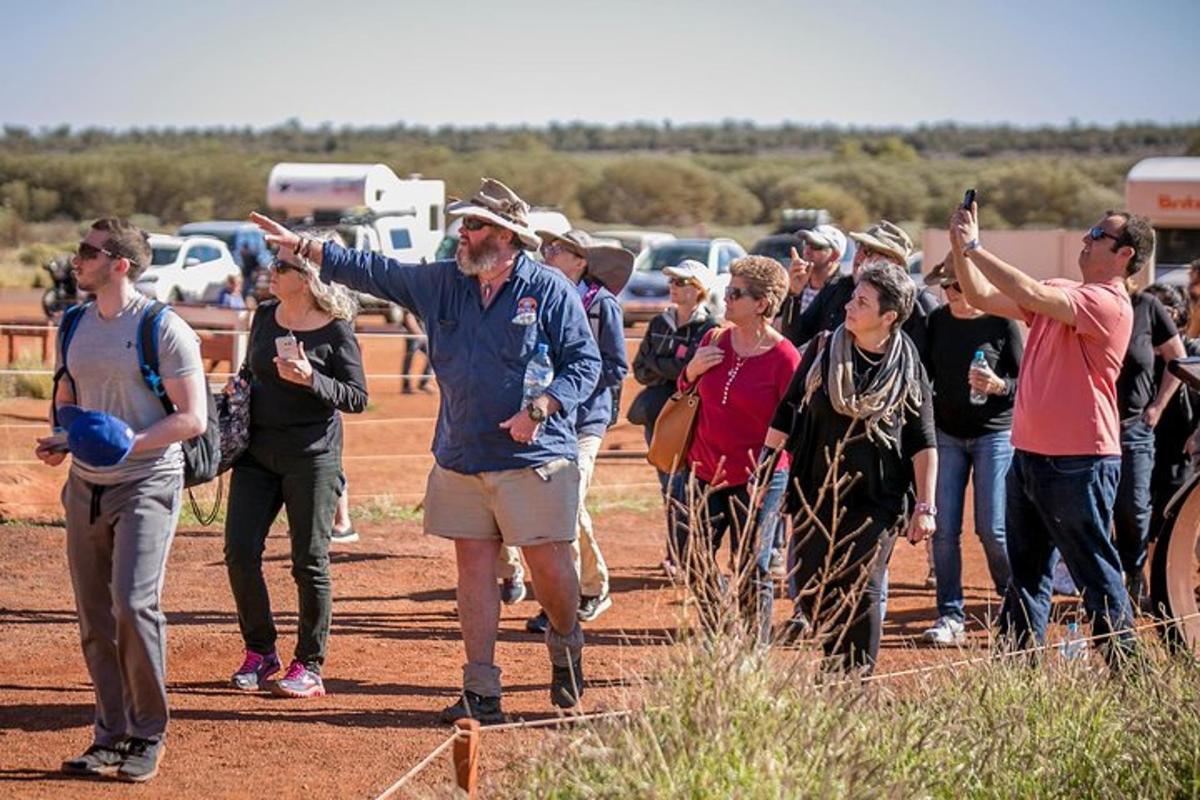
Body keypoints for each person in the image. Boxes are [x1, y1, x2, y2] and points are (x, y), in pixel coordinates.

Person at [251, 178, 601, 723]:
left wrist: (541, 410)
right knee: (475, 570)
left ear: (508, 237)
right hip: (460, 453)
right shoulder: (443, 282)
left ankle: (565, 641)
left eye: (475, 225)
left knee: (547, 568)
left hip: (535, 456)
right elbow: (377, 272)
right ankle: (481, 688)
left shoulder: (549, 289)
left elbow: (586, 364)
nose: (463, 233)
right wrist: (305, 248)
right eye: (463, 224)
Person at [36, 218, 207, 782]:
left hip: (147, 480)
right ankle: (109, 736)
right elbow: (67, 392)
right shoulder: (75, 321)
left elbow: (193, 418)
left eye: (88, 251)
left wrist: (130, 442)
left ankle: (147, 733)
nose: (76, 258)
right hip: (85, 484)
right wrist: (66, 435)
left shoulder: (164, 327)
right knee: (93, 615)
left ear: (120, 265)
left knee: (133, 606)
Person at [949, 202, 1156, 664]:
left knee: (1096, 575)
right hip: (1031, 456)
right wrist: (958, 244)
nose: (1086, 239)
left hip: (1080, 461)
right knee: (1026, 575)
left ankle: (1131, 673)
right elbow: (981, 296)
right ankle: (1018, 675)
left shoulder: (1108, 303)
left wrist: (974, 245)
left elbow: (1026, 291)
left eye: (1097, 234)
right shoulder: (1065, 293)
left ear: (1125, 254)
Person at [764, 260, 937, 672]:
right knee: (810, 584)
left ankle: (853, 678)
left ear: (889, 316)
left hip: (876, 498)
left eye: (862, 301)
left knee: (860, 586)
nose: (849, 306)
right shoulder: (825, 349)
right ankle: (834, 657)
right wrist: (765, 468)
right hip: (814, 489)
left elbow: (922, 442)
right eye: (853, 297)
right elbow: (787, 411)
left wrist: (925, 507)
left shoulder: (909, 370)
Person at [223, 239, 367, 699]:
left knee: (309, 562)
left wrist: (312, 379)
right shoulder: (265, 316)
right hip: (256, 455)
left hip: (312, 457)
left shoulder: (336, 331)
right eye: (273, 264)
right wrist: (238, 386)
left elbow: (356, 397)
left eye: (281, 266)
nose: (271, 271)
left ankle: (309, 664)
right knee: (240, 552)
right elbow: (251, 371)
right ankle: (261, 651)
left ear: (307, 278)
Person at [670, 256, 800, 642]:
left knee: (752, 567)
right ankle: (720, 631)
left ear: (761, 304)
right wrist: (691, 370)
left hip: (758, 477)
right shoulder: (713, 340)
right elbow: (684, 393)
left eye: (735, 293)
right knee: (692, 557)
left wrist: (770, 473)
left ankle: (753, 653)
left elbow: (794, 425)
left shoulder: (785, 358)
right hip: (705, 469)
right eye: (727, 291)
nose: (725, 299)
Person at [515, 230, 632, 632]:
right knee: (559, 507)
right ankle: (588, 588)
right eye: (547, 248)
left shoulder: (602, 306)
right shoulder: (546, 298)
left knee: (567, 505)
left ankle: (568, 600)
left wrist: (570, 388)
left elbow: (616, 367)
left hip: (585, 421)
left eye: (557, 250)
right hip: (549, 421)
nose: (547, 254)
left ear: (580, 261)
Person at [919, 256, 1021, 645]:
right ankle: (950, 614)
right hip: (946, 433)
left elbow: (1025, 379)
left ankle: (1016, 604)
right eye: (945, 287)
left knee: (992, 528)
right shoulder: (937, 323)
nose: (950, 293)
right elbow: (922, 372)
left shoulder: (1001, 323)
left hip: (994, 433)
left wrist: (999, 386)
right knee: (943, 529)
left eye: (957, 285)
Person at [628, 259, 719, 576]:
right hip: (658, 416)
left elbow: (698, 375)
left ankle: (686, 556)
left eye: (681, 282)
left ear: (698, 290)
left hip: (691, 418)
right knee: (668, 486)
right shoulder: (658, 324)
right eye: (673, 281)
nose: (673, 287)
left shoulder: (710, 329)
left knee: (685, 487)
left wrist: (662, 364)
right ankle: (676, 554)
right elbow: (640, 369)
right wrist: (675, 368)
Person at [1111, 280, 1185, 606]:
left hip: (1134, 428)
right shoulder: (1088, 302)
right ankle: (1108, 582)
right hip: (1090, 430)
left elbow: (1178, 359)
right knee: (1094, 508)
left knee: (1133, 507)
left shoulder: (1146, 307)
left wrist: (1157, 406)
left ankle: (1134, 570)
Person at [782, 220, 939, 360]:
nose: (859, 257)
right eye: (860, 248)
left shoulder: (919, 303)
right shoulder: (837, 289)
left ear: (895, 263)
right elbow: (795, 338)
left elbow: (928, 365)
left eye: (870, 252)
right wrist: (793, 295)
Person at [1143, 283, 1200, 541]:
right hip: (1141, 442)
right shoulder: (1138, 352)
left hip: (1181, 447)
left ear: (1177, 314)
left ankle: (1163, 578)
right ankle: (1138, 576)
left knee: (1171, 520)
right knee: (1136, 517)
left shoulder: (1193, 351)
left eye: (1162, 310)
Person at [777, 224, 848, 324]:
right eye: (807, 243)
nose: (807, 250)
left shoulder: (844, 292)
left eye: (816, 245)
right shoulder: (793, 283)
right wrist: (792, 292)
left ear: (834, 256)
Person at [400, 308, 434, 394]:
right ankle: (406, 386)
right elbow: (408, 318)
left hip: (422, 333)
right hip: (412, 334)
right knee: (410, 357)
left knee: (433, 355)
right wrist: (419, 333)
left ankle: (423, 383)